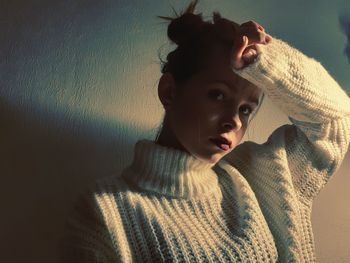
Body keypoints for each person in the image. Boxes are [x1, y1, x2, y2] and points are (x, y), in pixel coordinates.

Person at [59, 1, 350, 262]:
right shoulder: (106, 212)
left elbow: (336, 121)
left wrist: (267, 61)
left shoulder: (258, 176)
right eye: (218, 95)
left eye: (246, 109)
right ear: (169, 91)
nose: (233, 121)